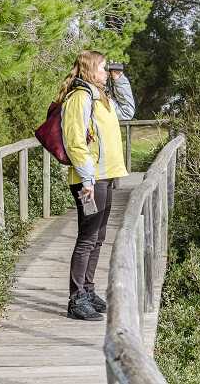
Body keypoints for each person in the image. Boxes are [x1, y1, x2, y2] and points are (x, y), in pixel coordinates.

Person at [57, 50, 135, 321]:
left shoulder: (100, 95)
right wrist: (88, 179)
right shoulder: (79, 97)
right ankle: (76, 298)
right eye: (103, 68)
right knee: (87, 237)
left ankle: (88, 290)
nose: (106, 71)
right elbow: (75, 140)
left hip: (106, 176)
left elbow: (127, 111)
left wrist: (120, 79)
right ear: (89, 70)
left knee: (99, 237)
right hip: (89, 181)